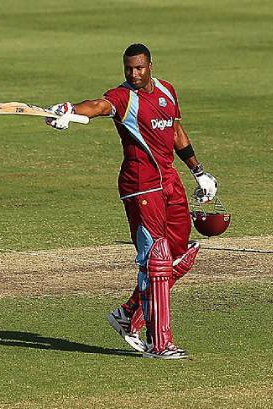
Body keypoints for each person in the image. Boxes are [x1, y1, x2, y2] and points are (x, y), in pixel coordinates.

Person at [45, 44, 217, 359]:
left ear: (150, 66)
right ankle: (159, 343)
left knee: (181, 255)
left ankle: (128, 314)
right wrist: (70, 110)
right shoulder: (124, 98)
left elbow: (176, 131)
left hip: (169, 179)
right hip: (141, 184)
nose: (133, 74)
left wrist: (199, 172)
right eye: (128, 69)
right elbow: (98, 106)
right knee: (157, 258)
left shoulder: (167, 91)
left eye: (139, 68)